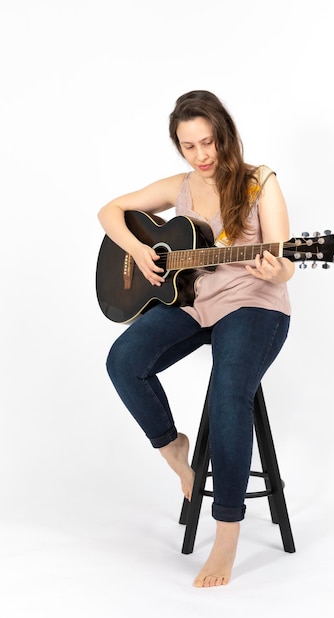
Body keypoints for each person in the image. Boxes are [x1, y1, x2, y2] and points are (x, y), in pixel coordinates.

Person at [97, 90, 295, 587]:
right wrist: (142, 252)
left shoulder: (259, 182)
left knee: (228, 394)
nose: (202, 156)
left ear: (224, 134)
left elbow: (286, 259)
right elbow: (110, 211)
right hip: (196, 303)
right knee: (123, 360)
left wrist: (280, 268)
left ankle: (226, 533)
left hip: (253, 301)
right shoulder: (180, 187)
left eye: (208, 142)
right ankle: (176, 452)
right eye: (190, 147)